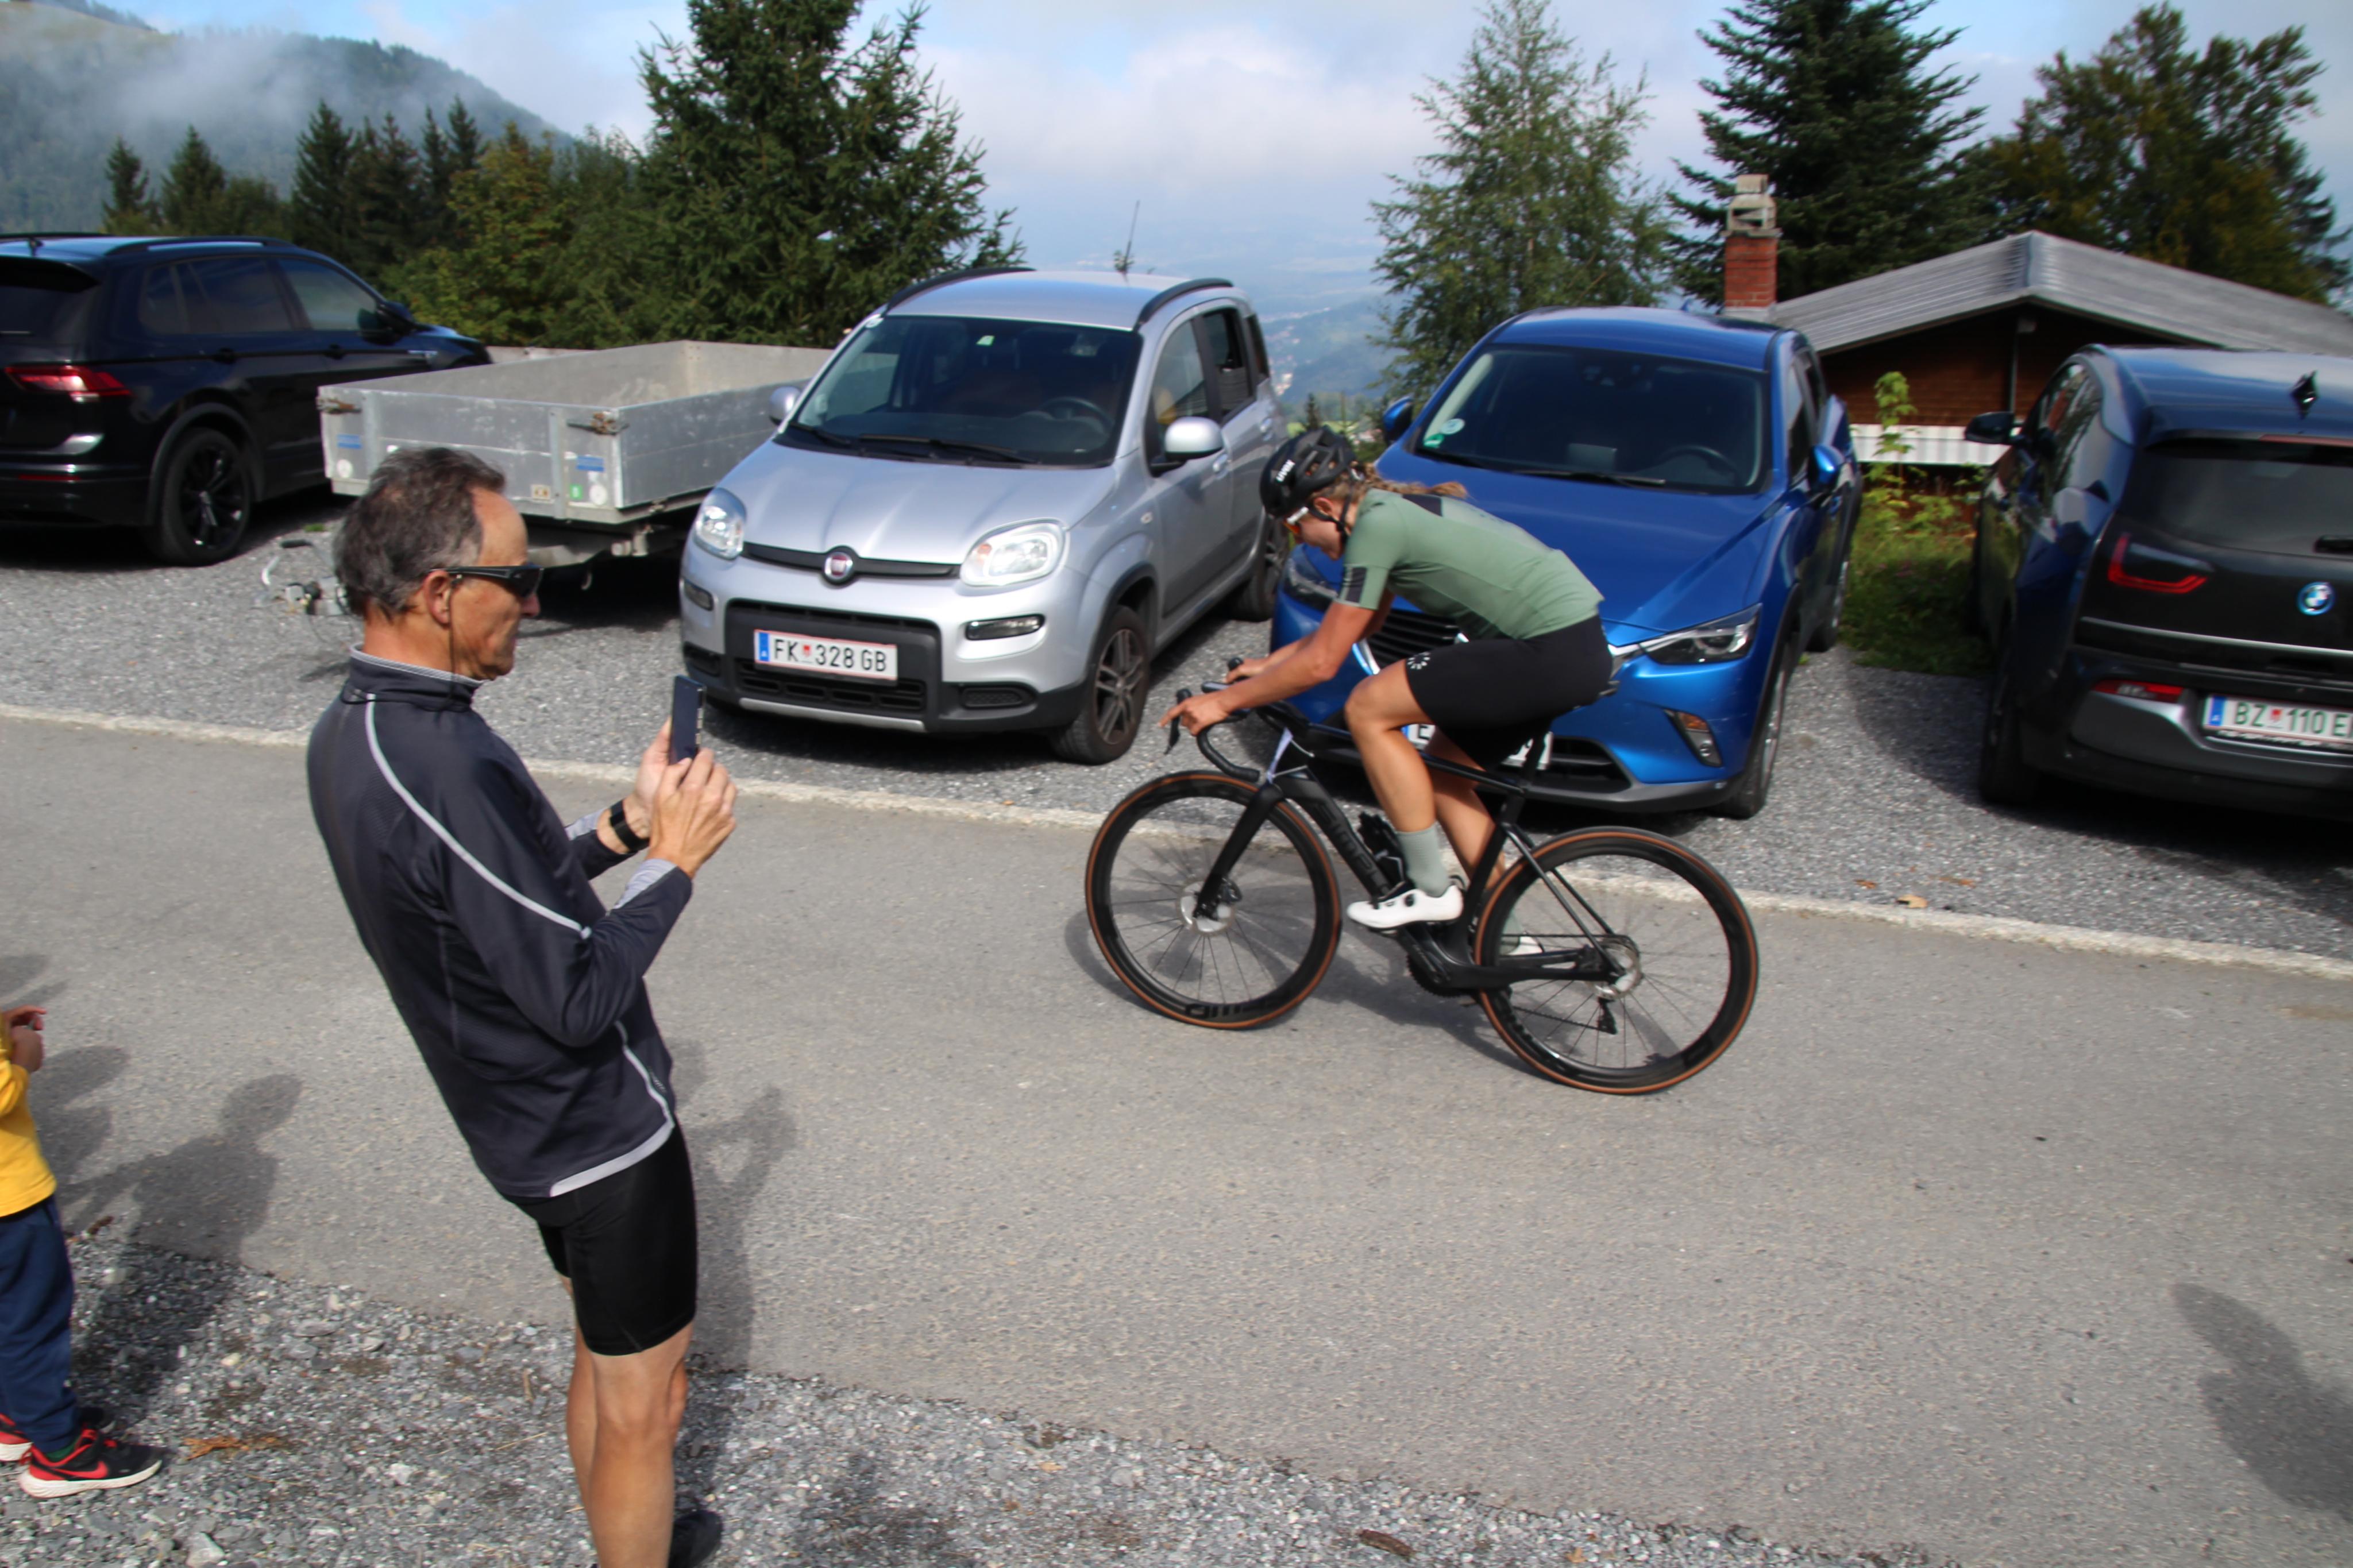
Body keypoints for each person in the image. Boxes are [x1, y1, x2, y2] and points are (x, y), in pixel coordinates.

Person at [306, 448, 737, 1568]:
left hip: (518, 1127)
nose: (534, 604)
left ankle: (629, 1537)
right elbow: (578, 995)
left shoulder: (354, 732)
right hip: (600, 1138)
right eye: (518, 578)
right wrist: (676, 863)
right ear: (439, 593)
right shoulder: (444, 758)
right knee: (649, 1403)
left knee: (600, 1353)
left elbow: (500, 896)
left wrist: (626, 828)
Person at [1160, 427, 1612, 929]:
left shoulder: (1377, 529)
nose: (1298, 541)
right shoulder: (1386, 515)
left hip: (1548, 648)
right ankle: (1503, 937)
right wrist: (1269, 666)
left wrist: (1226, 702)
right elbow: (1360, 624)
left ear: (1324, 508)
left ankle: (1429, 890)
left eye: (1294, 528)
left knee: (1368, 707)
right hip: (1573, 648)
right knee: (1446, 773)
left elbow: (1323, 664)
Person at [0, 1003, 169, 1498]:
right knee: (30, 1323)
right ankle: (62, 1453)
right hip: (9, 1204)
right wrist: (21, 1059)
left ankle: (15, 1417)